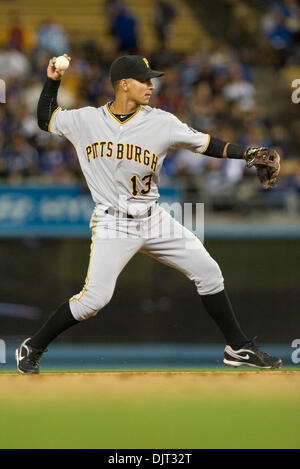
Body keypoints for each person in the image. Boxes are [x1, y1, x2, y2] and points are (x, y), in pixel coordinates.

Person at [15, 54, 282, 373]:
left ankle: (238, 348)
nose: (151, 85)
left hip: (154, 219)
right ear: (123, 84)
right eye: (144, 80)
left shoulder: (162, 122)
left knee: (209, 272)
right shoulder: (85, 120)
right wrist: (54, 78)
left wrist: (248, 153)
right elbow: (45, 118)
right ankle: (33, 346)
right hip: (113, 223)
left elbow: (207, 144)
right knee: (93, 302)